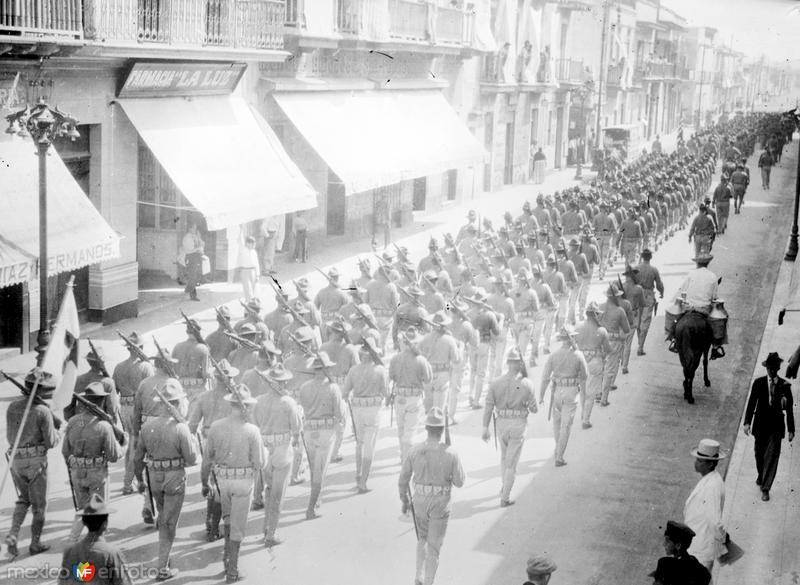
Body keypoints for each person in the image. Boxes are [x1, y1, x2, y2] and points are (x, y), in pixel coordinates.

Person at [134, 378, 198, 581]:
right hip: (174, 477)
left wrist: (140, 480)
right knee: (170, 523)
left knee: (163, 517)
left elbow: (137, 458)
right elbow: (191, 459)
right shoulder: (180, 428)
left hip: (154, 477)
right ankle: (162, 567)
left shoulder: (148, 427)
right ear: (176, 404)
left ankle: (165, 557)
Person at [201, 384, 263, 584]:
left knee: (228, 521)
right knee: (238, 526)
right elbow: (259, 463)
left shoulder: (216, 426)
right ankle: (233, 570)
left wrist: (204, 482)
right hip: (243, 482)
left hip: (222, 480)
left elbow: (206, 459)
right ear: (245, 407)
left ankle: (227, 559)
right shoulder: (252, 430)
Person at [398, 407, 465, 585]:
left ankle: (418, 576)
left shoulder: (414, 450)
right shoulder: (451, 453)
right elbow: (460, 482)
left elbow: (403, 480)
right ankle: (427, 582)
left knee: (422, 540)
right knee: (434, 547)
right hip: (440, 503)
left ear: (427, 429)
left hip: (419, 501)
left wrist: (404, 500)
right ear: (442, 430)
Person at [4, 369, 59, 557]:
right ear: (41, 390)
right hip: (36, 461)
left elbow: (10, 436)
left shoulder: (12, 407)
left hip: (16, 459)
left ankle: (13, 533)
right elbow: (51, 442)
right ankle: (35, 543)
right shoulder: (43, 411)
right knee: (39, 505)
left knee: (23, 499)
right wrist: (58, 431)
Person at [63, 382, 126, 541]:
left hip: (77, 473)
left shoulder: (72, 422)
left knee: (83, 509)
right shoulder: (104, 425)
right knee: (98, 512)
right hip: (97, 474)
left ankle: (72, 540)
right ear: (102, 401)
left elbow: (65, 451)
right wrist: (124, 445)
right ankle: (98, 546)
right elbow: (113, 456)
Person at [252, 364, 302, 547]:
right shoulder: (287, 401)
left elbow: (254, 425)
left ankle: (267, 528)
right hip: (281, 449)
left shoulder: (258, 401)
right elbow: (296, 429)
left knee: (269, 489)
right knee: (278, 494)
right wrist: (294, 440)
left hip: (264, 449)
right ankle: (271, 533)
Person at [482, 348, 537, 506]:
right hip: (518, 424)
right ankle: (505, 497)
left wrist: (485, 428)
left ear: (507, 363)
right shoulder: (525, 384)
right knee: (511, 463)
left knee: (504, 457)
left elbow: (488, 407)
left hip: (501, 423)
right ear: (519, 364)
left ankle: (503, 486)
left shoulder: (495, 383)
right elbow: (533, 409)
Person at [743, 352, 795, 501]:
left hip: (776, 427)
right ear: (767, 368)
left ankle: (766, 488)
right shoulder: (758, 383)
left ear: (777, 368)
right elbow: (752, 402)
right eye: (769, 368)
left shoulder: (785, 386)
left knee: (772, 456)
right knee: (759, 454)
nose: (771, 370)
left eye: (774, 368)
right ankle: (761, 475)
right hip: (760, 425)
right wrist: (747, 422)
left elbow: (790, 409)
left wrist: (791, 429)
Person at [342, 337, 389, 493]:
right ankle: (363, 482)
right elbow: (386, 392)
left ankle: (358, 474)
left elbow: (344, 392)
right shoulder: (380, 370)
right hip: (373, 409)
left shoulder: (353, 370)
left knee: (359, 443)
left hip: (357, 409)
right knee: (369, 446)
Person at [112, 332, 155, 495]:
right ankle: (129, 482)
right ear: (141, 348)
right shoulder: (146, 367)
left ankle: (132, 480)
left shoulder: (119, 366)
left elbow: (115, 390)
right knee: (137, 446)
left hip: (124, 406)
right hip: (139, 409)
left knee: (132, 444)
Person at [58, 494, 133, 585]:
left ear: (84, 523)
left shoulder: (69, 551)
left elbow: (62, 582)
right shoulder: (112, 553)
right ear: (105, 524)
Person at [539, 326, 588, 467]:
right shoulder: (578, 355)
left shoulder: (553, 356)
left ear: (561, 340)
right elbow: (585, 375)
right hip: (571, 392)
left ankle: (558, 449)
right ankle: (559, 456)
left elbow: (545, 378)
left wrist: (541, 396)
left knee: (557, 423)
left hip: (557, 391)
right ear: (572, 338)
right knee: (566, 426)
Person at [390, 327, 433, 463]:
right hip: (414, 398)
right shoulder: (420, 359)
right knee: (410, 431)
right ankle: (407, 460)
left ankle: (403, 457)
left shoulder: (395, 358)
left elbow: (392, 377)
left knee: (401, 429)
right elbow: (428, 379)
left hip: (400, 396)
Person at [684, 438, 728, 572]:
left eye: (699, 460)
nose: (695, 463)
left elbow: (714, 522)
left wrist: (724, 549)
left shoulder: (712, 487)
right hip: (698, 545)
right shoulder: (710, 479)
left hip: (701, 548)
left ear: (710, 464)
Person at [575, 302, 610, 430]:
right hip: (595, 361)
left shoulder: (578, 327)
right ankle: (586, 419)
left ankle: (583, 414)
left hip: (581, 361)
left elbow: (574, 346)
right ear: (595, 315)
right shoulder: (601, 330)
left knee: (583, 390)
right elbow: (607, 349)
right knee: (591, 393)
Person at [650, 520, 711, 585]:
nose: (664, 544)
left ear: (678, 546)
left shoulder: (664, 563)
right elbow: (707, 576)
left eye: (667, 541)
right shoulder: (694, 563)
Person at [635, 249, 664, 356]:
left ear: (642, 257)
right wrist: (662, 293)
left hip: (637, 294)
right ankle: (640, 346)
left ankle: (639, 343)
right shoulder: (653, 270)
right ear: (650, 257)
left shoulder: (636, 268)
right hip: (648, 295)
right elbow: (659, 284)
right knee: (645, 321)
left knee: (637, 320)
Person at [182, 222, 204, 301]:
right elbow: (190, 249)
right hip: (191, 257)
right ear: (189, 229)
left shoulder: (194, 236)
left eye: (195, 228)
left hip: (196, 257)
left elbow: (202, 244)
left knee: (196, 276)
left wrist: (199, 237)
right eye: (193, 228)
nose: (195, 229)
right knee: (193, 276)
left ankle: (188, 290)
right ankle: (193, 295)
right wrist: (198, 249)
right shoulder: (187, 238)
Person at [237, 232, 260, 303]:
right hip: (245, 271)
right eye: (252, 243)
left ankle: (251, 303)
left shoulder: (254, 252)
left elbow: (257, 264)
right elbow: (240, 241)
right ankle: (249, 304)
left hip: (253, 271)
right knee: (248, 290)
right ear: (247, 243)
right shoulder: (243, 250)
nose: (253, 245)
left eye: (254, 243)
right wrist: (241, 230)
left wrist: (257, 275)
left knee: (253, 289)